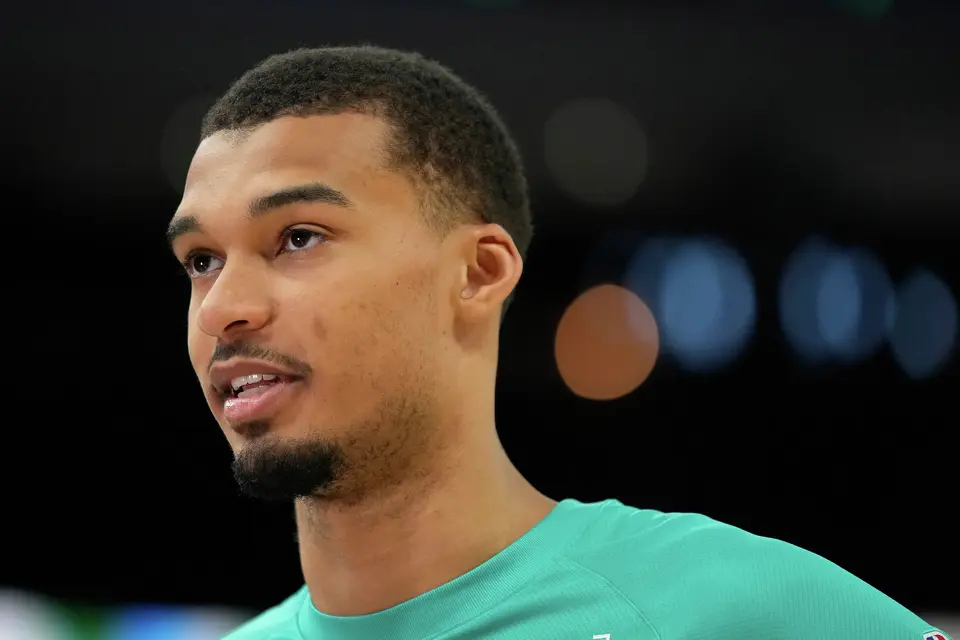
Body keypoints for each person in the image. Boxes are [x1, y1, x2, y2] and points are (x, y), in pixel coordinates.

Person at [166, 46, 949, 640]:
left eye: (299, 237)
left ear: (477, 271)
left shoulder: (724, 606)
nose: (223, 308)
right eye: (201, 260)